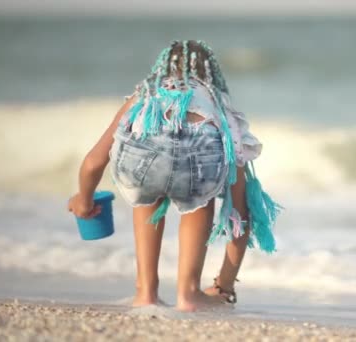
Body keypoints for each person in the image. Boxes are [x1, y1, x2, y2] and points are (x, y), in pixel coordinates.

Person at [67, 40, 281, 311]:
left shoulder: (145, 94)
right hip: (200, 161)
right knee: (200, 201)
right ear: (210, 73)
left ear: (163, 69)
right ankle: (189, 294)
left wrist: (84, 200)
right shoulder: (217, 103)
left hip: (139, 162)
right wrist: (224, 286)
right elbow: (240, 214)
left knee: (146, 195)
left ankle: (146, 292)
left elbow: (94, 162)